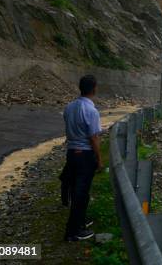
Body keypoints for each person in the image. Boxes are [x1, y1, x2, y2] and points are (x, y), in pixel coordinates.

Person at [63, 75, 103, 241]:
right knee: (81, 193)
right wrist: (99, 159)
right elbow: (93, 138)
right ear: (94, 88)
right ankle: (73, 232)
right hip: (84, 155)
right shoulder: (91, 111)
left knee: (76, 191)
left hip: (71, 153)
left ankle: (80, 222)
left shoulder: (69, 107)